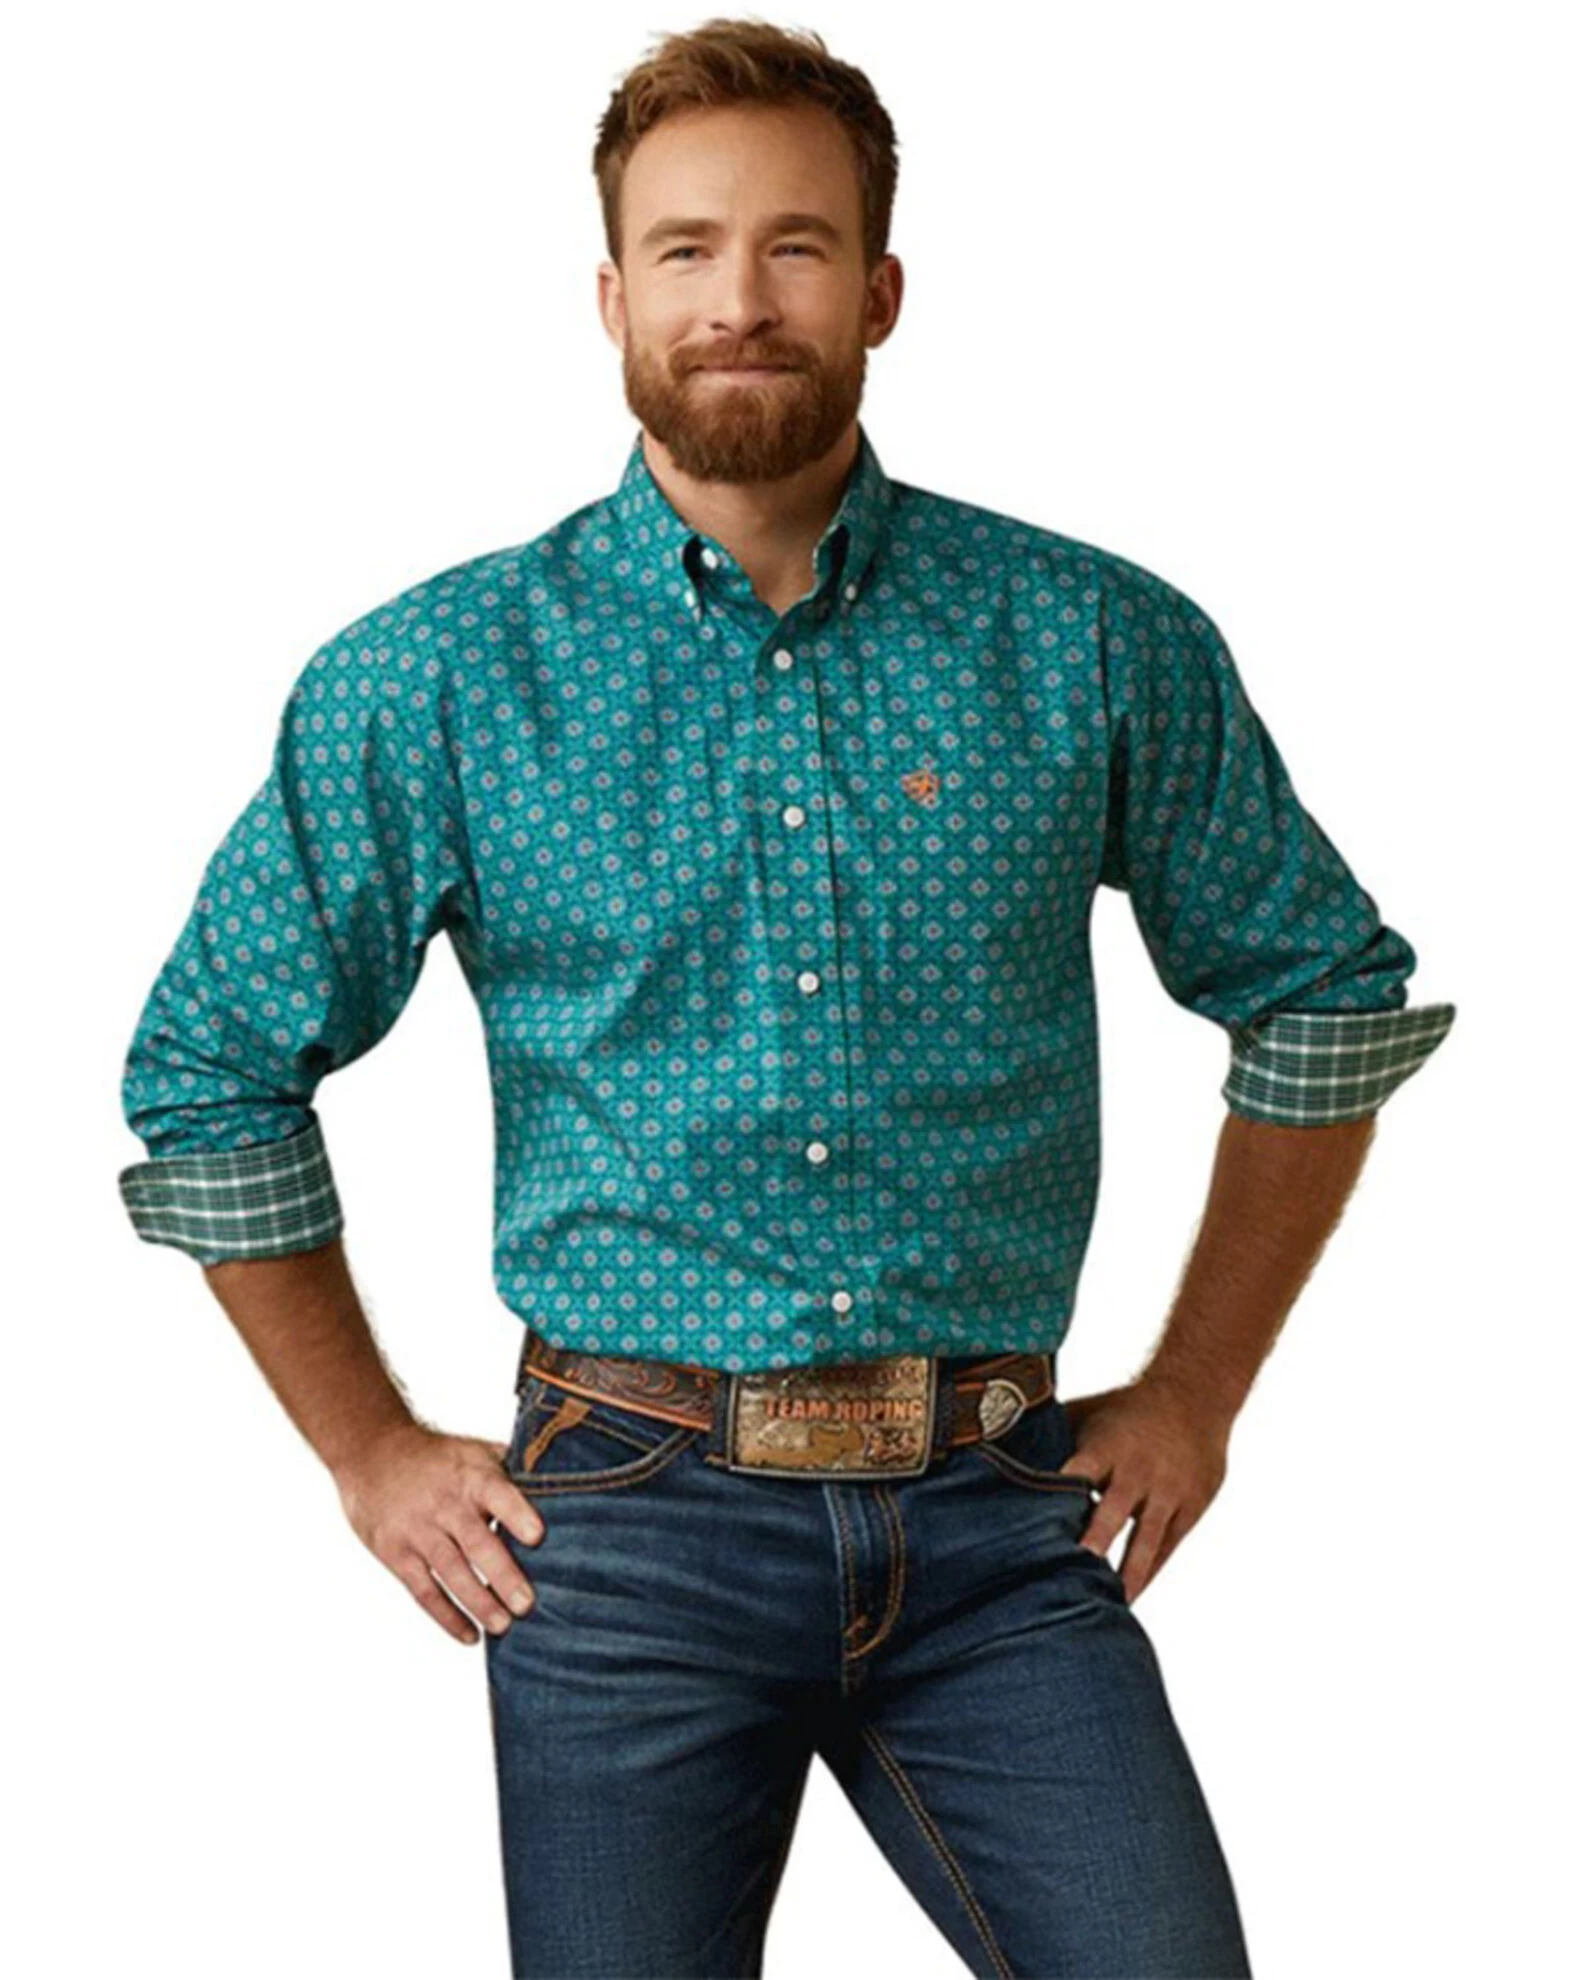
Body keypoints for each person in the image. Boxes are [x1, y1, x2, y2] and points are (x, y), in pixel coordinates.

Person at [116, 18, 1456, 1978]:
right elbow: (213, 1073)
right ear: (610, 296)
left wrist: (1200, 1389)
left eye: (797, 247)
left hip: (1001, 1524)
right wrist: (366, 1449)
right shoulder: (435, 680)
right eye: (686, 249)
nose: (739, 300)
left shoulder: (1092, 638)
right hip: (622, 1536)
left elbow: (1325, 996)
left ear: (882, 289)